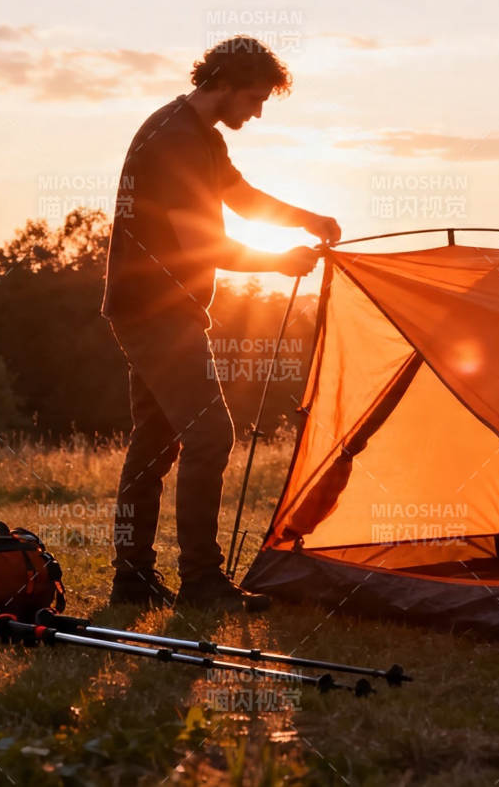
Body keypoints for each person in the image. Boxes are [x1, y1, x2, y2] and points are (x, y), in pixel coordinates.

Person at [100, 35, 340, 612]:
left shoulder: (198, 135)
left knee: (155, 443)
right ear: (227, 83)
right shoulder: (175, 140)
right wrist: (278, 262)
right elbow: (199, 242)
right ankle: (201, 583)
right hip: (153, 311)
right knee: (210, 436)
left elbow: (243, 197)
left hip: (161, 307)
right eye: (255, 99)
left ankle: (132, 582)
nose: (257, 112)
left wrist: (308, 218)